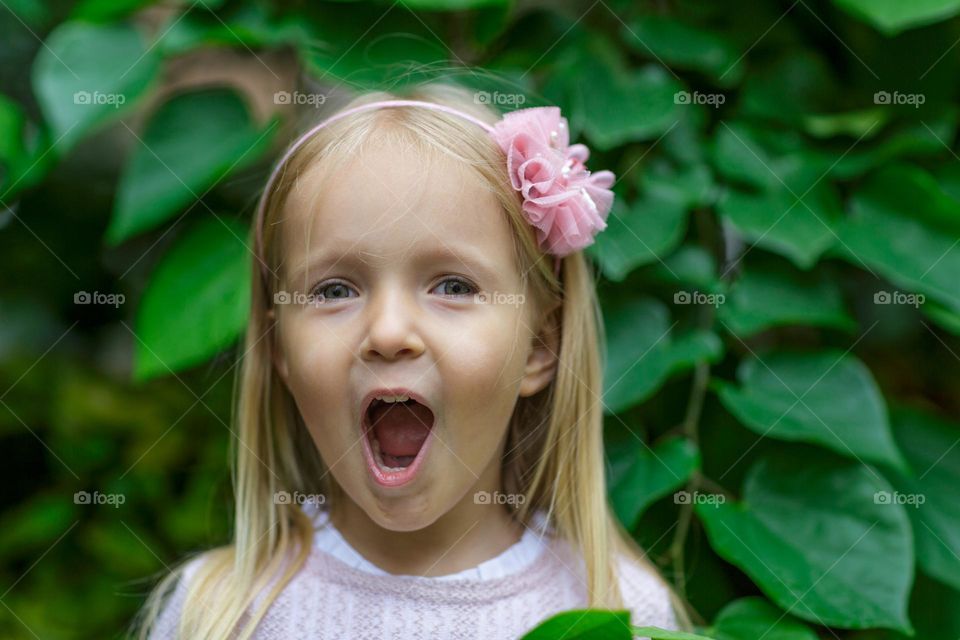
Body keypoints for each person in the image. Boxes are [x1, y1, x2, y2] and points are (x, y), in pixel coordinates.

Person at [135, 82, 690, 639]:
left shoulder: (619, 614)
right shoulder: (216, 615)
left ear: (539, 346)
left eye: (453, 286)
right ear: (279, 347)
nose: (388, 332)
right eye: (334, 291)